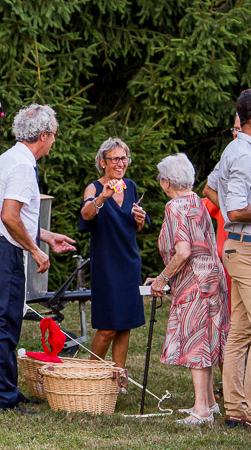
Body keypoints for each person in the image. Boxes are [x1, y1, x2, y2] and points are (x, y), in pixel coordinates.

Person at [0, 104, 76, 412]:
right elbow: (8, 216)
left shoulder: (10, 158)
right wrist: (34, 249)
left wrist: (45, 235)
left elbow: (9, 215)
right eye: (54, 134)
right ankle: (2, 399)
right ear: (43, 135)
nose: (55, 140)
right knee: (3, 325)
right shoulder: (21, 166)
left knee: (6, 322)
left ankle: (8, 390)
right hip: (0, 251)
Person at [148, 153, 229, 425]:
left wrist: (162, 279)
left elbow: (182, 252)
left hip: (194, 281)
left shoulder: (175, 207)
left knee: (197, 342)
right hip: (213, 276)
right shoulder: (196, 200)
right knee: (210, 338)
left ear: (166, 181)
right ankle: (210, 402)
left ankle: (201, 411)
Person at [78, 138, 147, 377]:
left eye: (124, 158)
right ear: (102, 162)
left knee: (125, 326)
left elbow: (134, 228)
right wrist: (102, 198)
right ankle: (91, 375)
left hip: (129, 262)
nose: (120, 163)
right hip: (106, 265)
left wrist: (138, 222)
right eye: (115, 158)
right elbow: (86, 214)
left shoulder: (131, 186)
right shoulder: (94, 188)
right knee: (107, 327)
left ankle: (118, 378)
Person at [205, 89, 251, 429]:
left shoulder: (235, 149)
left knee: (240, 331)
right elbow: (234, 209)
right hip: (245, 248)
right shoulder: (244, 154)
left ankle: (236, 409)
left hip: (239, 246)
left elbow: (209, 189)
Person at [202, 113, 242, 312]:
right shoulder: (232, 158)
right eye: (235, 129)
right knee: (235, 316)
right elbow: (206, 196)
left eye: (239, 129)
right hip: (234, 252)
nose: (236, 134)